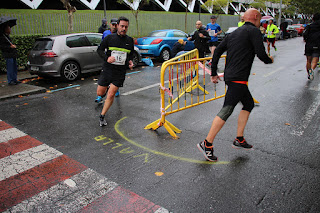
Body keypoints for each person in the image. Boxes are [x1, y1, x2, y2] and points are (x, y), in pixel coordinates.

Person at [197, 8, 273, 161]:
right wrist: (269, 59)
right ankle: (207, 143)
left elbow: (217, 51)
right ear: (256, 17)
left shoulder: (233, 34)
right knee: (227, 110)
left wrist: (213, 72)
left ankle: (239, 138)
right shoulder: (254, 32)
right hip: (238, 78)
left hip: (233, 77)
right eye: (260, 20)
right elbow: (261, 53)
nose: (261, 23)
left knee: (249, 104)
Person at [97, 16, 134, 127]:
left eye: (126, 27)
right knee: (100, 93)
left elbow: (130, 54)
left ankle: (102, 116)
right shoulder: (109, 38)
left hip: (120, 72)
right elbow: (99, 50)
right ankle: (105, 89)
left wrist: (130, 61)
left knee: (111, 94)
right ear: (117, 25)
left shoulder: (129, 40)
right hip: (108, 69)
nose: (124, 28)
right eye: (122, 26)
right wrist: (107, 58)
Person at [95, 18, 119, 103]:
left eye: (116, 25)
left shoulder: (120, 34)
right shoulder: (106, 33)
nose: (114, 26)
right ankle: (100, 96)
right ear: (110, 24)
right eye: (113, 24)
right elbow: (101, 46)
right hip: (108, 60)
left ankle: (116, 89)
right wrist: (105, 56)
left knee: (115, 77)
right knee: (104, 78)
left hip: (117, 61)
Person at [303, 13, 320, 80]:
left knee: (308, 60)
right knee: (315, 60)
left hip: (309, 45)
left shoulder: (309, 26)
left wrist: (305, 39)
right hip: (317, 45)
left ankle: (309, 73)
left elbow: (304, 34)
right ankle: (312, 70)